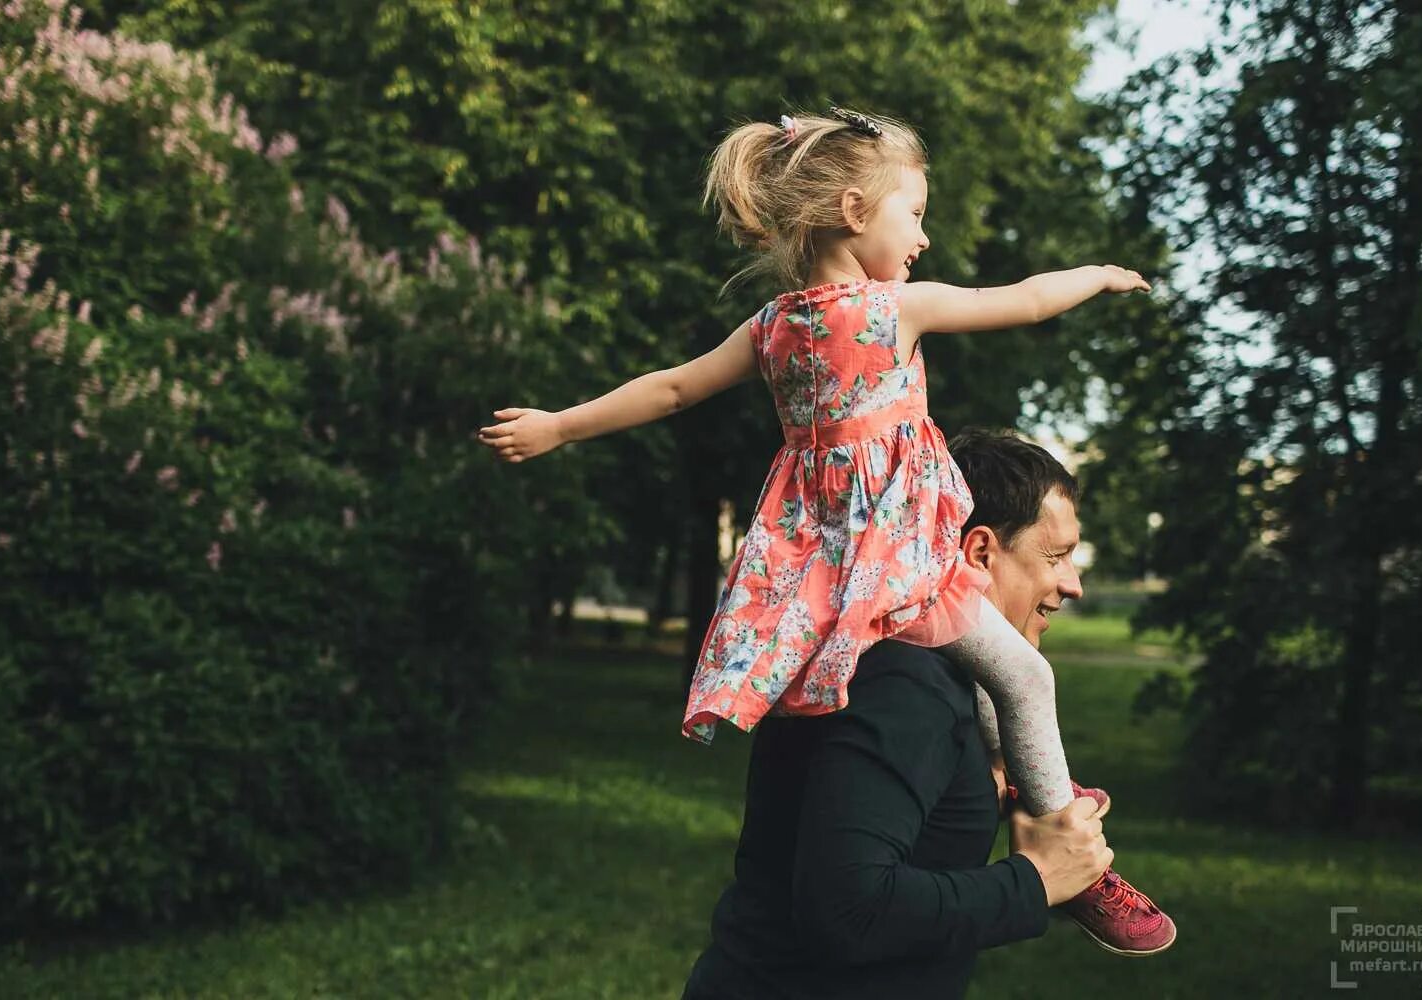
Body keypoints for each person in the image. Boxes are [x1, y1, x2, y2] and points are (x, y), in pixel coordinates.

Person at [477, 107, 1172, 954]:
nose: (922, 236)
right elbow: (1023, 302)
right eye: (912, 213)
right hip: (904, 559)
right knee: (1025, 676)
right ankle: (1071, 853)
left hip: (822, 573)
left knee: (989, 679)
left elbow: (668, 390)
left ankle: (1018, 785)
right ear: (853, 210)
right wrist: (1096, 274)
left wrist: (559, 426)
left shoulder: (773, 327)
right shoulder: (894, 312)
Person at [680, 428, 1161, 998]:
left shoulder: (935, 676)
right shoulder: (904, 684)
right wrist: (1037, 881)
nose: (1073, 585)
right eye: (1055, 556)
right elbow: (847, 909)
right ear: (979, 552)